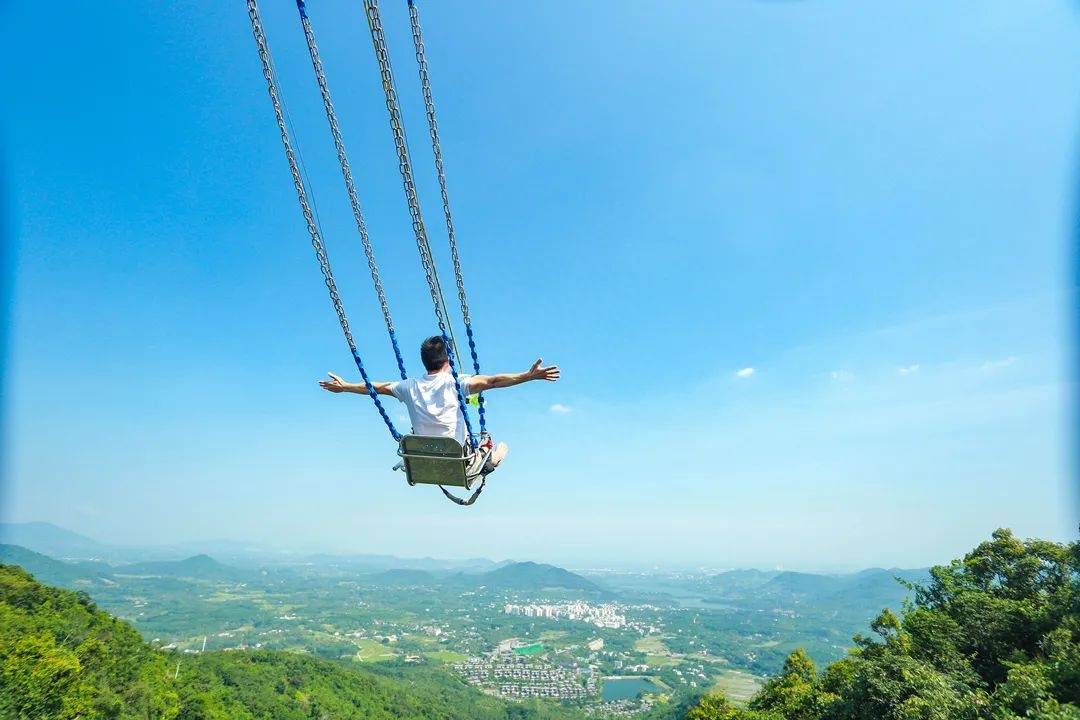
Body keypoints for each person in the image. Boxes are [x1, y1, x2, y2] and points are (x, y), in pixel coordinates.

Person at [318, 335, 560, 473]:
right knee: (492, 444)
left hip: (421, 459)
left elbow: (376, 387)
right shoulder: (457, 383)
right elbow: (494, 381)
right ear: (449, 359)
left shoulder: (408, 386)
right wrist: (528, 376)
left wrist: (346, 386)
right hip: (459, 461)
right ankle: (490, 462)